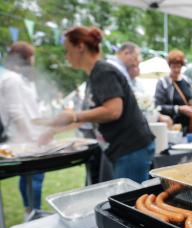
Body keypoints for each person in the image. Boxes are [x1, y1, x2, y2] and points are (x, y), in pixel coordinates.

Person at [44, 26, 155, 183]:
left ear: (80, 47)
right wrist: (53, 130)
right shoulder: (95, 75)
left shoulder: (103, 71)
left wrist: (74, 116)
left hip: (131, 147)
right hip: (125, 149)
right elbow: (93, 115)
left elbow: (113, 111)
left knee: (127, 201)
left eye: (68, 51)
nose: (66, 56)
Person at [0, 42, 45, 215]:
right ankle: (33, 212)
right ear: (25, 57)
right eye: (32, 55)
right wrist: (31, 137)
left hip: (27, 134)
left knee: (28, 175)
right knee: (35, 175)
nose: (33, 59)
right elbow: (16, 112)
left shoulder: (18, 78)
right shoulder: (11, 78)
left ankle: (30, 211)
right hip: (23, 137)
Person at [154, 49, 192, 134]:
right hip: (171, 125)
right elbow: (158, 106)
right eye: (174, 67)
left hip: (188, 125)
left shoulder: (187, 80)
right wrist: (178, 109)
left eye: (179, 67)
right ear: (169, 66)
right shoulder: (163, 83)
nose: (176, 70)